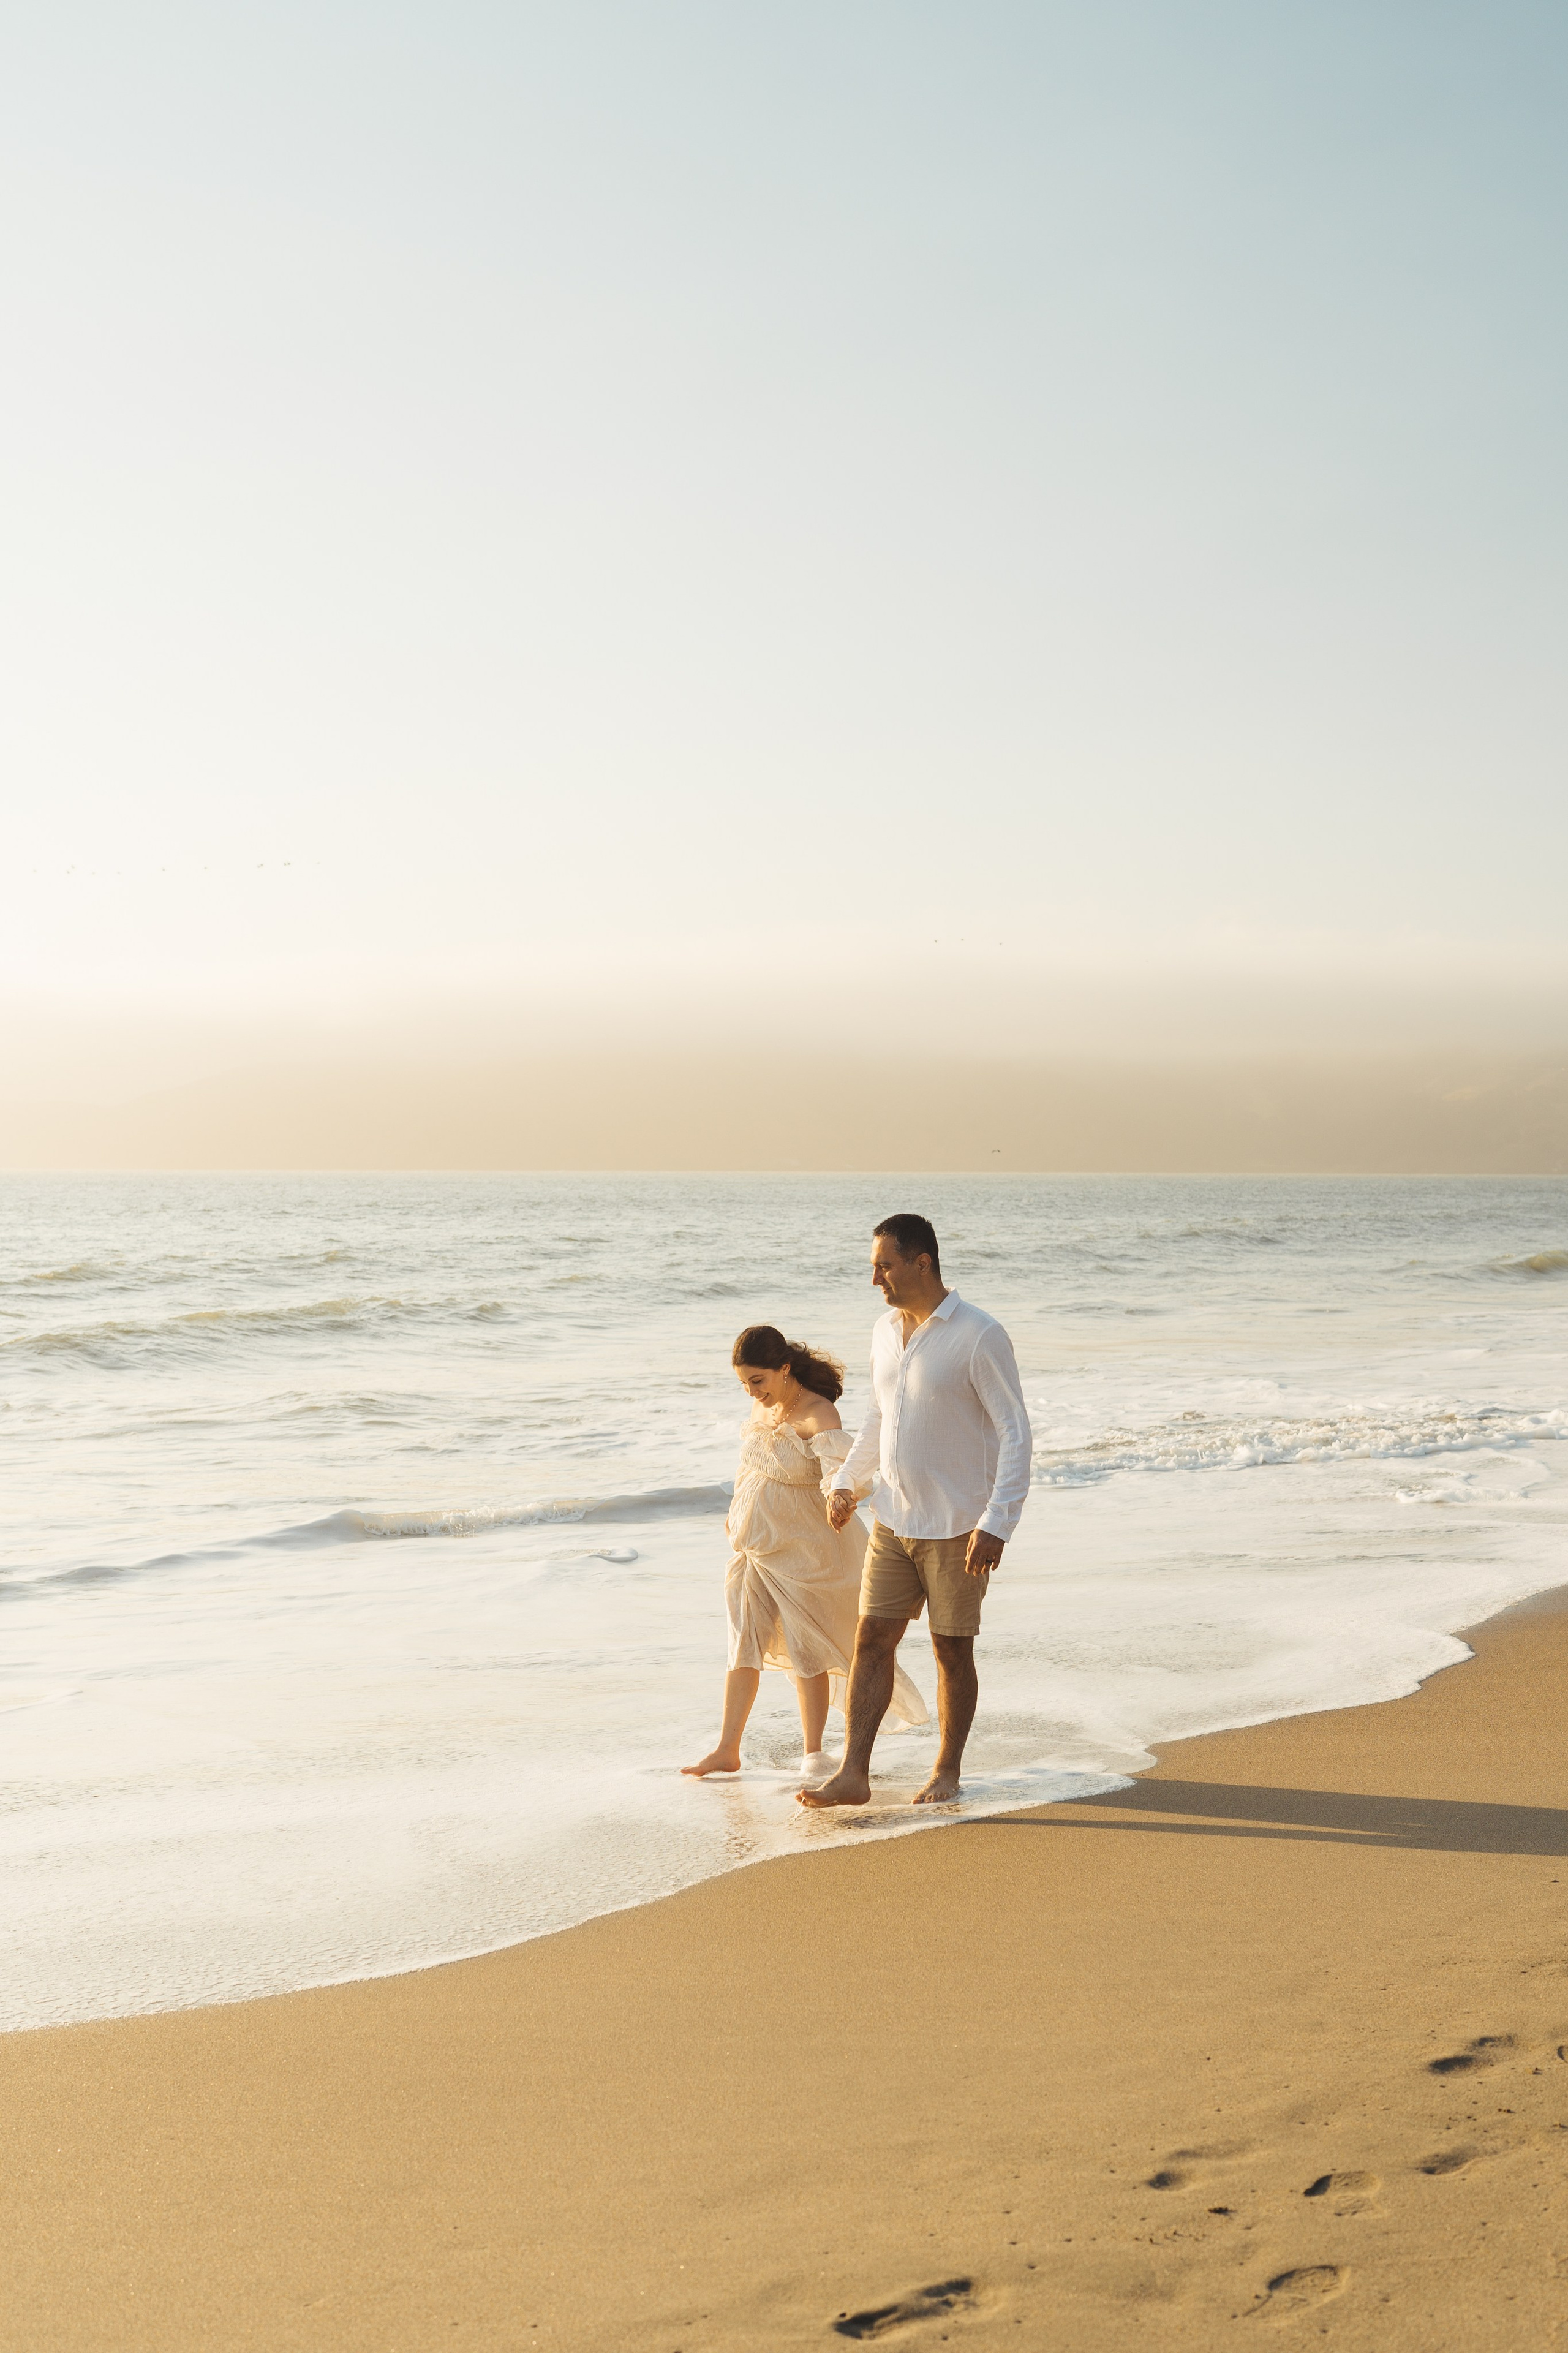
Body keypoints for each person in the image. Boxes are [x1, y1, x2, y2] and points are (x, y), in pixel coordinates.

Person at [799, 1214, 1031, 1810]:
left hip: (959, 1527)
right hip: (893, 1521)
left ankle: (947, 1768)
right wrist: (847, 1481)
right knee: (871, 1638)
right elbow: (880, 1417)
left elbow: (1014, 1431)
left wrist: (997, 1522)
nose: (874, 1276)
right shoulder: (884, 1330)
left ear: (921, 1262)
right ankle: (853, 1772)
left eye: (884, 1264)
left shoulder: (979, 1335)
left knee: (951, 1649)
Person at [683, 1324, 927, 1780]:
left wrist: (840, 1496)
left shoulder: (819, 1412)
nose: (752, 1392)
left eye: (758, 1380)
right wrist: (737, 1508)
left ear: (785, 1368)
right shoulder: (762, 1407)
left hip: (803, 1551)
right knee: (742, 1643)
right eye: (744, 1384)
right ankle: (727, 1748)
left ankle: (813, 1752)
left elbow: (841, 1470)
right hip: (753, 1549)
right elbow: (749, 1463)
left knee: (808, 1648)